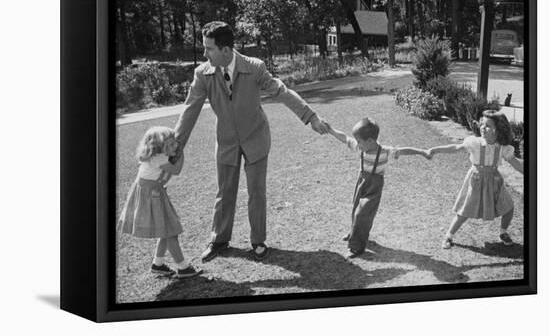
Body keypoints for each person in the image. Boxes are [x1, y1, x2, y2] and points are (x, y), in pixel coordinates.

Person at [173, 21, 329, 262]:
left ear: (225, 50)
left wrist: (311, 117)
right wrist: (175, 145)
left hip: (256, 138)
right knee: (224, 192)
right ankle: (219, 240)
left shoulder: (254, 67)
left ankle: (258, 240)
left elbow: (282, 91)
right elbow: (189, 110)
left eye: (209, 49)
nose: (204, 54)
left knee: (256, 192)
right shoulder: (202, 74)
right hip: (226, 142)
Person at [326, 118, 430, 258]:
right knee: (356, 208)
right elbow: (344, 138)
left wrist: (421, 151)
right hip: (361, 181)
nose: (357, 144)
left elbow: (403, 150)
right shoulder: (360, 147)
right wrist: (331, 129)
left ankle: (357, 247)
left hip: (374, 186)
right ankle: (354, 233)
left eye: (359, 141)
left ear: (370, 141)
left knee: (362, 214)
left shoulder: (385, 151)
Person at [427, 110, 524, 249]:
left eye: (488, 125)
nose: (483, 128)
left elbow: (516, 164)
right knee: (465, 210)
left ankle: (503, 232)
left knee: (508, 207)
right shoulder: (475, 143)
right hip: (476, 180)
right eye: (482, 124)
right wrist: (435, 150)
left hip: (494, 181)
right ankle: (449, 235)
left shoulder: (502, 148)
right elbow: (455, 148)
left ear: (498, 129)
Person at [118, 126, 202, 278]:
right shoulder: (158, 158)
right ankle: (183, 267)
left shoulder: (156, 156)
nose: (175, 146)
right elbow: (176, 170)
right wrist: (181, 153)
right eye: (170, 145)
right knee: (170, 232)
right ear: (157, 147)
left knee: (165, 229)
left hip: (155, 193)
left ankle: (158, 264)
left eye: (175, 143)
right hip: (152, 195)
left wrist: (175, 149)